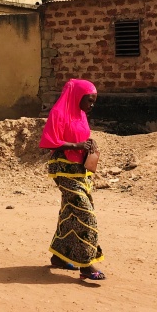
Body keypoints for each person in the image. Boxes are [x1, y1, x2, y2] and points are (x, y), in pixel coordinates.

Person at [39, 78, 105, 281]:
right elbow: (49, 142)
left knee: (69, 212)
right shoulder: (59, 113)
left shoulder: (81, 114)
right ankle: (86, 263)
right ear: (77, 96)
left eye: (94, 101)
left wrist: (88, 143)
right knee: (85, 212)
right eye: (89, 100)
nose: (91, 105)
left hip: (80, 171)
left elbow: (80, 136)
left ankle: (59, 256)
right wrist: (77, 146)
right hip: (63, 170)